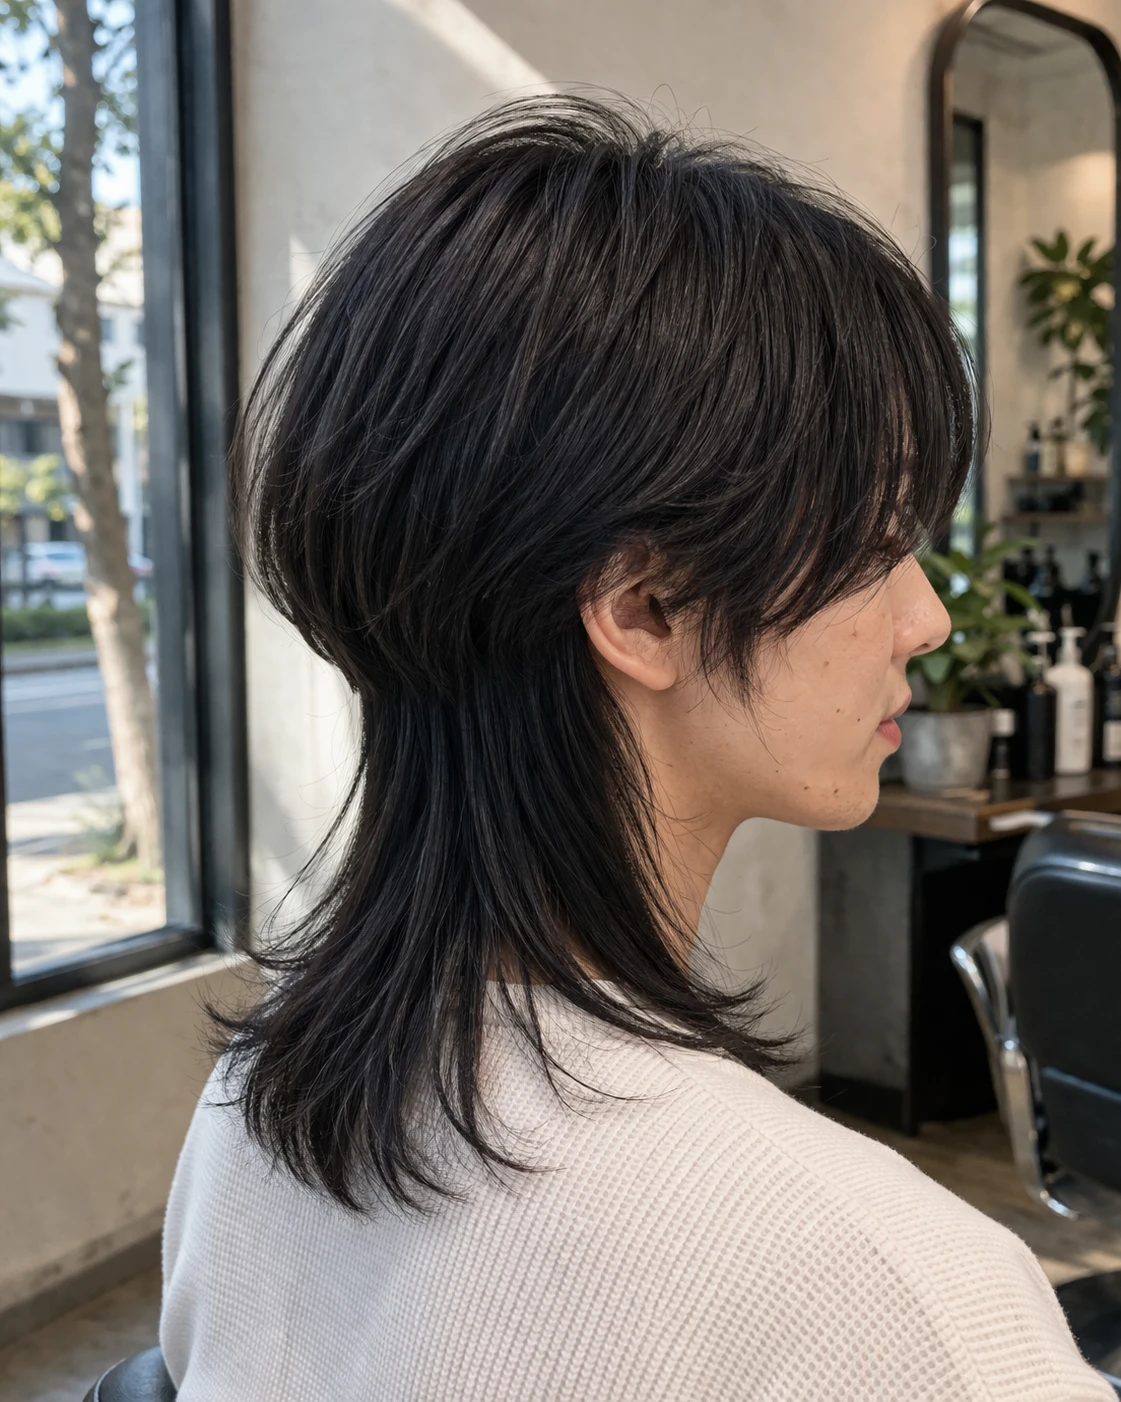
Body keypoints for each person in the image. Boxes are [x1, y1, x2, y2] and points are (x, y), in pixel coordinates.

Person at [160, 95, 1113, 1400]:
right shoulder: (890, 1291)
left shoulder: (251, 1108)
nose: (927, 616)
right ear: (644, 607)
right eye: (881, 540)